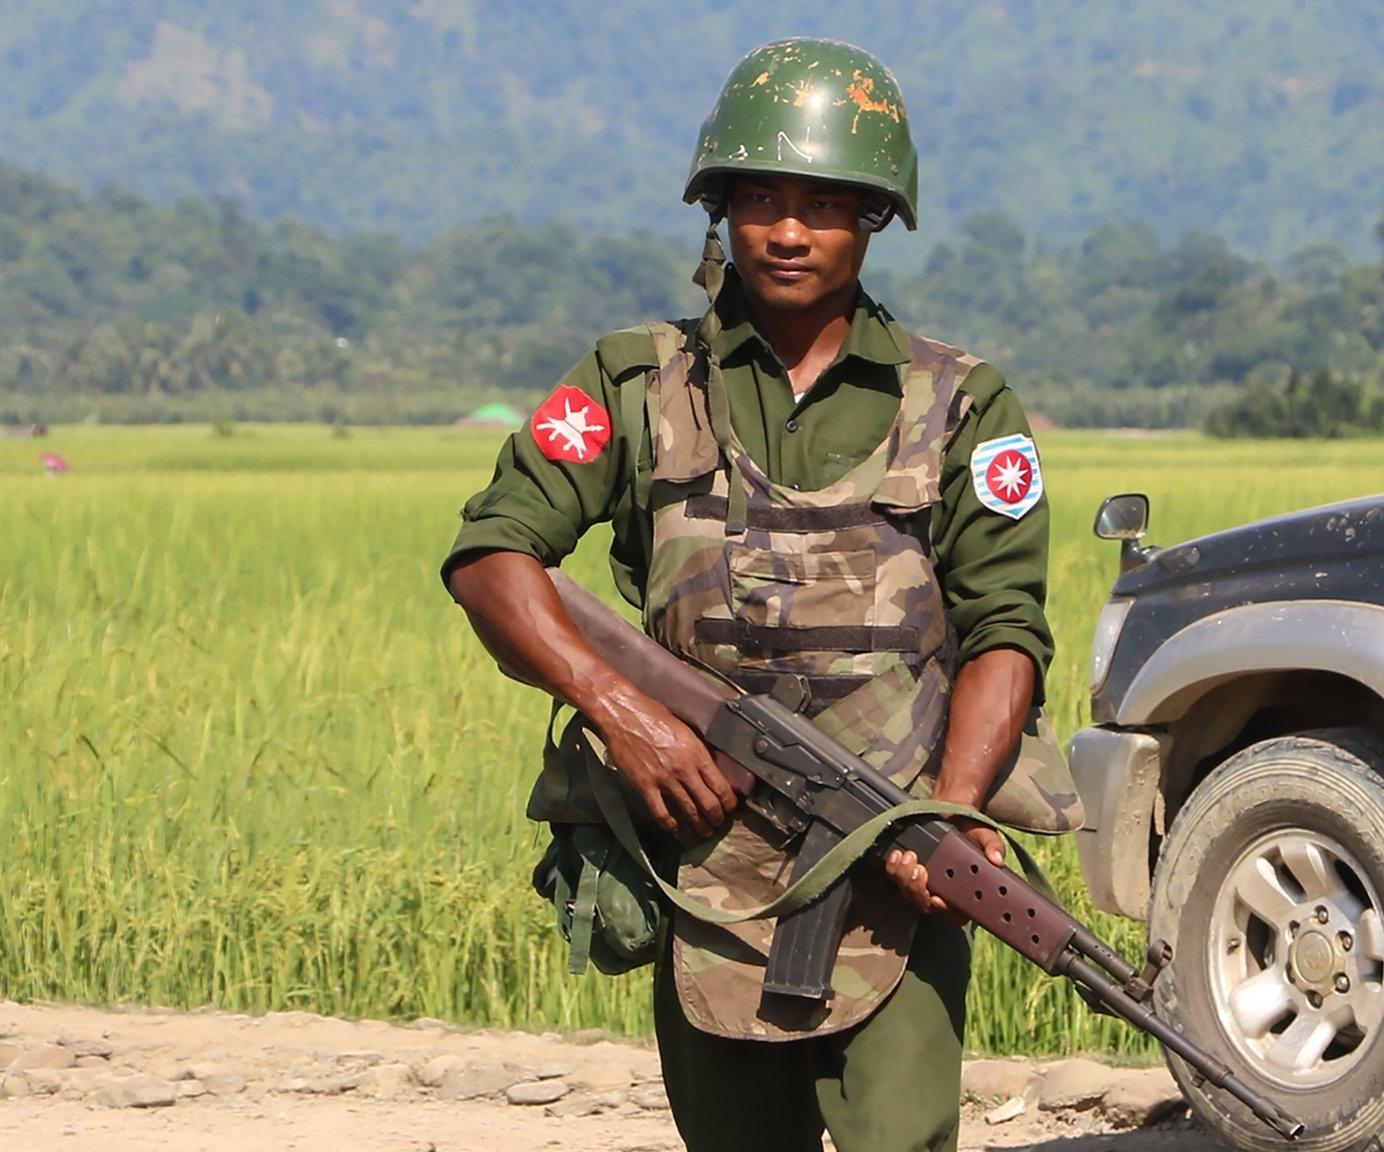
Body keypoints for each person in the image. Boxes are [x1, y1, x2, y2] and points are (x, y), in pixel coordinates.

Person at [443, 39, 1058, 1152]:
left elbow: (1004, 629)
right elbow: (493, 558)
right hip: (705, 865)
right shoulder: (634, 383)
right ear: (715, 212)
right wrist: (620, 713)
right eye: (758, 198)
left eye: (821, 203)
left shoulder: (961, 402)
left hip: (891, 862)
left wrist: (947, 816)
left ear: (873, 217)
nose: (784, 229)